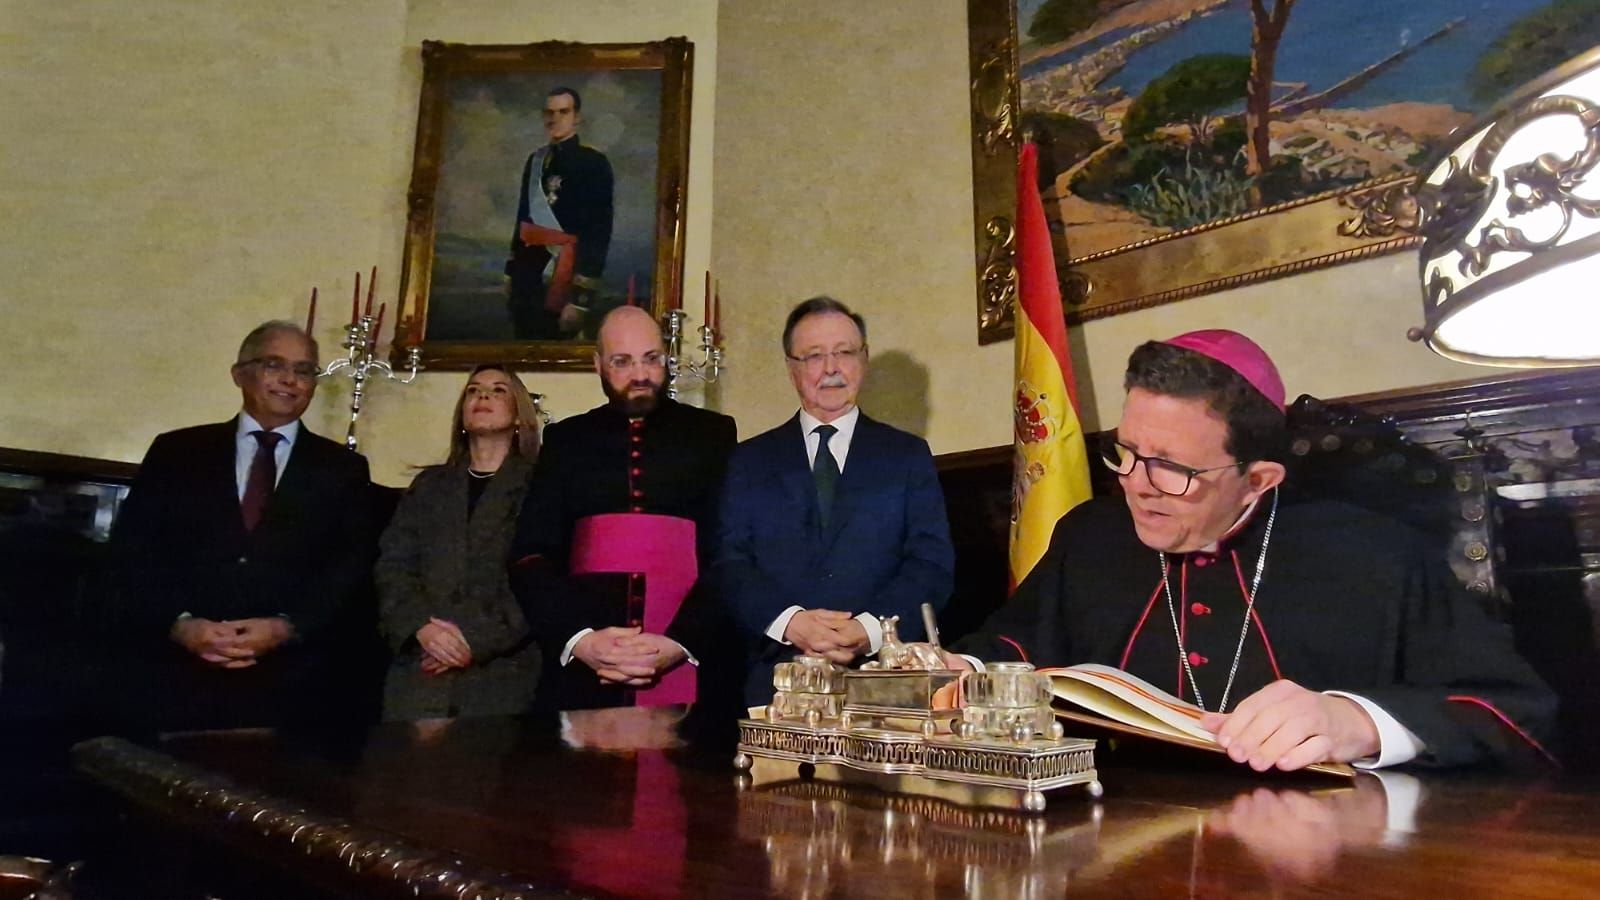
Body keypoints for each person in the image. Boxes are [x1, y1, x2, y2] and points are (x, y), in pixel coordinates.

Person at [952, 329, 1556, 771]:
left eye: (1171, 468)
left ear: (1259, 478)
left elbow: (1515, 709)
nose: (1135, 483)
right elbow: (1013, 643)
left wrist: (1358, 722)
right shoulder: (1091, 534)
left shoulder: (1373, 552)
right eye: (1127, 451)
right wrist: (961, 669)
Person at [108, 321, 376, 729]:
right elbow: (133, 551)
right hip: (174, 672)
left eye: (304, 370)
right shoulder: (177, 452)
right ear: (240, 374)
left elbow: (350, 571)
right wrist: (179, 625)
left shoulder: (342, 470)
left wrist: (286, 628)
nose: (289, 379)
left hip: (290, 683)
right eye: (274, 365)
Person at [716, 297, 956, 705]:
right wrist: (792, 623)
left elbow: (930, 564)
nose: (831, 368)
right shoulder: (749, 460)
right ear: (792, 369)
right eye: (814, 356)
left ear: (863, 360)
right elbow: (729, 564)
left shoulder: (906, 456)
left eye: (844, 353)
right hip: (776, 681)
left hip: (883, 683)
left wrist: (869, 628)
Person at [510, 306, 737, 712]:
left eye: (652, 358)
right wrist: (581, 640)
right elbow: (530, 554)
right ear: (597, 364)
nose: (641, 374)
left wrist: (680, 641)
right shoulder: (567, 440)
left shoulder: (712, 434)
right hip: (589, 662)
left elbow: (732, 554)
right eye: (622, 361)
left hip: (691, 653)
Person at [376, 365, 544, 720]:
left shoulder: (539, 487)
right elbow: (393, 565)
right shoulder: (430, 486)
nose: (482, 396)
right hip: (419, 672)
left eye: (498, 390)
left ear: (519, 415)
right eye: (473, 390)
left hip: (502, 677)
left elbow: (541, 577)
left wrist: (471, 638)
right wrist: (421, 627)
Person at [506, 86, 615, 341]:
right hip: (527, 277)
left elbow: (599, 231)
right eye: (549, 112)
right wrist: (511, 272)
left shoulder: (593, 164)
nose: (554, 118)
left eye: (563, 112)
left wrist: (580, 299)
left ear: (576, 117)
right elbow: (522, 220)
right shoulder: (535, 161)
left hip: (565, 278)